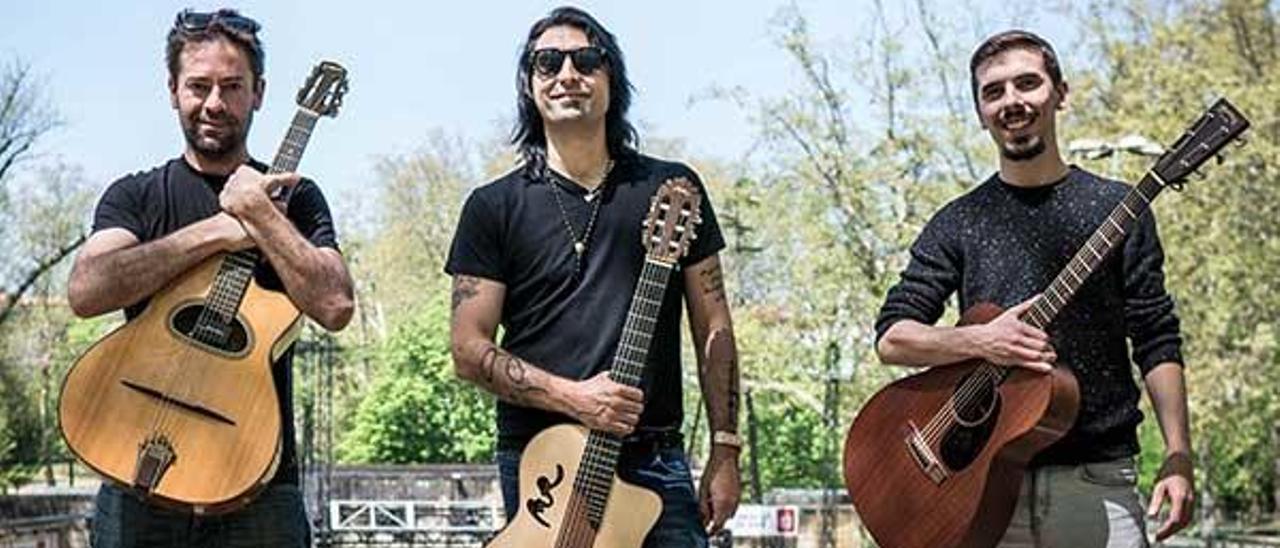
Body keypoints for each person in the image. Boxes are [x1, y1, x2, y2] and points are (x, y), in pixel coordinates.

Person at [873, 30, 1193, 547]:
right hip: (976, 487)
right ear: (980, 112)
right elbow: (894, 337)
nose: (1011, 101)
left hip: (1101, 487)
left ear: (1060, 94)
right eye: (993, 91)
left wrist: (1179, 454)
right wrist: (981, 341)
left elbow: (1157, 338)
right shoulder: (959, 221)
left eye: (1027, 83)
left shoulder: (1120, 209)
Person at [446, 6, 741, 547]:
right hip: (540, 461)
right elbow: (468, 348)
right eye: (547, 63)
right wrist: (575, 398)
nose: (567, 75)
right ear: (529, 84)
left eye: (586, 60)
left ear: (612, 78)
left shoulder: (672, 188)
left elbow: (714, 328)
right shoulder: (492, 207)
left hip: (654, 458)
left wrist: (726, 449)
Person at [67, 8, 353, 547]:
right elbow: (86, 291)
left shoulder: (299, 198)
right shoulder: (136, 196)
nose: (214, 103)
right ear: (173, 90)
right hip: (134, 473)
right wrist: (220, 232)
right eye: (198, 86)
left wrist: (262, 214)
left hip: (258, 482)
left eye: (232, 86)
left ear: (260, 92)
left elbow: (335, 306)